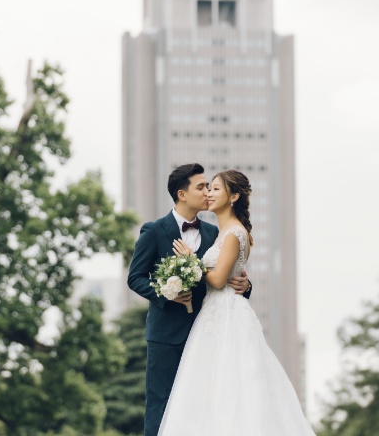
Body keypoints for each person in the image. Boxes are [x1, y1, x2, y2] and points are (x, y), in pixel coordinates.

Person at [158, 169, 316, 435]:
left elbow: (219, 280)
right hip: (215, 313)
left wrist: (189, 260)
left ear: (233, 196)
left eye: (216, 189)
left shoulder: (233, 234)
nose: (209, 193)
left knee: (231, 384)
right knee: (211, 386)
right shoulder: (222, 233)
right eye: (208, 188)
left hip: (227, 315)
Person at [127, 163, 252, 436]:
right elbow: (135, 278)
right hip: (166, 334)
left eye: (210, 186)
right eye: (201, 186)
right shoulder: (154, 230)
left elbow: (223, 271)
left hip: (207, 331)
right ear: (182, 194)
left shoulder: (213, 233)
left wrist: (247, 285)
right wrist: (166, 293)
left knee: (201, 405)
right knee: (160, 404)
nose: (207, 191)